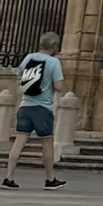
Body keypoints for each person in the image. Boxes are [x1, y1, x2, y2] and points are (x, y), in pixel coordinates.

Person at [3, 31, 66, 190]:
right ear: (54, 46)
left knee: (19, 142)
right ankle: (50, 179)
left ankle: (8, 177)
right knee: (47, 143)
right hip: (42, 108)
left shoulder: (28, 58)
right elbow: (58, 86)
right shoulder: (53, 62)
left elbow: (20, 78)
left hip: (25, 106)